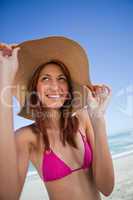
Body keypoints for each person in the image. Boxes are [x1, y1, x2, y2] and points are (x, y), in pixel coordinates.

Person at [0, 36, 114, 200]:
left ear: (68, 88)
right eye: (45, 78)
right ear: (35, 89)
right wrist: (5, 77)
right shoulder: (27, 137)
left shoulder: (83, 120)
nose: (55, 86)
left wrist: (98, 120)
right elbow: (7, 196)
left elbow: (107, 187)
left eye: (61, 79)